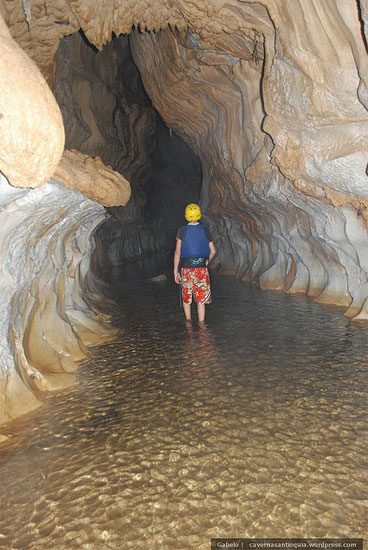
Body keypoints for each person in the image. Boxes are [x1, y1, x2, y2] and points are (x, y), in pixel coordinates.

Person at [174, 203, 216, 323]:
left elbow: (177, 252)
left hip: (187, 271)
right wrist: (207, 260)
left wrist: (175, 271)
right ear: (199, 215)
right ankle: (202, 327)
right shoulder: (205, 230)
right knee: (201, 301)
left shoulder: (182, 231)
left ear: (186, 216)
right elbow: (213, 251)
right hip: (201, 270)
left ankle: (188, 325)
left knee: (187, 299)